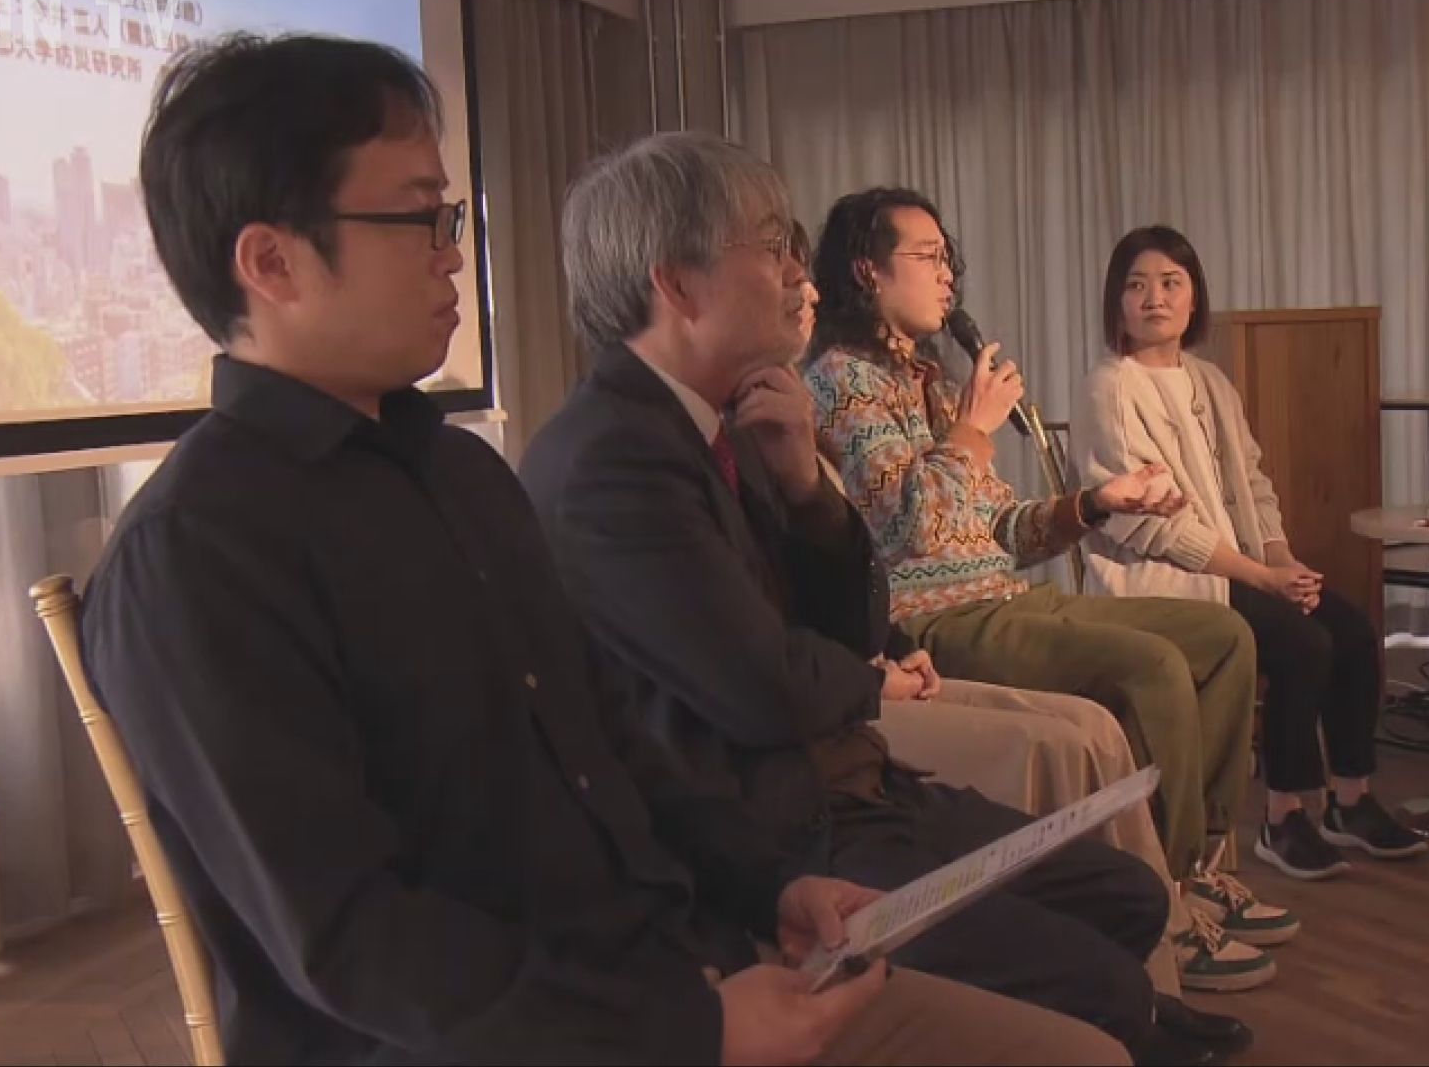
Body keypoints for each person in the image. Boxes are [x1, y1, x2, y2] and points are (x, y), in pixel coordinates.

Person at [81, 33, 1133, 1066]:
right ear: (271, 262)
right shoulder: (198, 554)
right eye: (420, 217)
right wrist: (690, 1028)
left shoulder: (457, 475)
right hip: (533, 1033)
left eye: (452, 215)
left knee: (1082, 1033)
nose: (455, 250)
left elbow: (607, 750)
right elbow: (355, 944)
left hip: (668, 963)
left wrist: (766, 888)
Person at [519, 132, 1249, 1065]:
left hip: (852, 783)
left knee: (1129, 893)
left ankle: (1146, 987)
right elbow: (775, 679)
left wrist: (808, 494)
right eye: (771, 246)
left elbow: (859, 620)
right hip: (780, 835)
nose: (798, 276)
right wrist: (873, 677)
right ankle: (1127, 1019)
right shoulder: (615, 459)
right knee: (1098, 970)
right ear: (679, 285)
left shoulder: (739, 416)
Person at [801, 187, 1287, 986]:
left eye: (948, 258)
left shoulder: (929, 381)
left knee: (1226, 637)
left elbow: (1002, 530)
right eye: (927, 257)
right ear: (868, 270)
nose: (947, 275)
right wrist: (973, 430)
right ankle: (1167, 906)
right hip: (935, 616)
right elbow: (908, 526)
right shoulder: (840, 383)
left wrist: (1094, 503)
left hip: (1005, 598)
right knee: (1152, 666)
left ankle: (1200, 864)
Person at [1072, 226, 1429, 882]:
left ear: (1194, 297)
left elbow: (1253, 486)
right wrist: (1261, 577)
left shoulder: (1210, 380)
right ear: (1117, 301)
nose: (1154, 298)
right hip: (1164, 582)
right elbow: (1151, 530)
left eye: (1171, 283)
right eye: (1137, 285)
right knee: (1302, 643)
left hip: (1238, 568)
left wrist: (1282, 561)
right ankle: (1283, 816)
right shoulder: (1110, 386)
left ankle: (1351, 800)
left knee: (1352, 631)